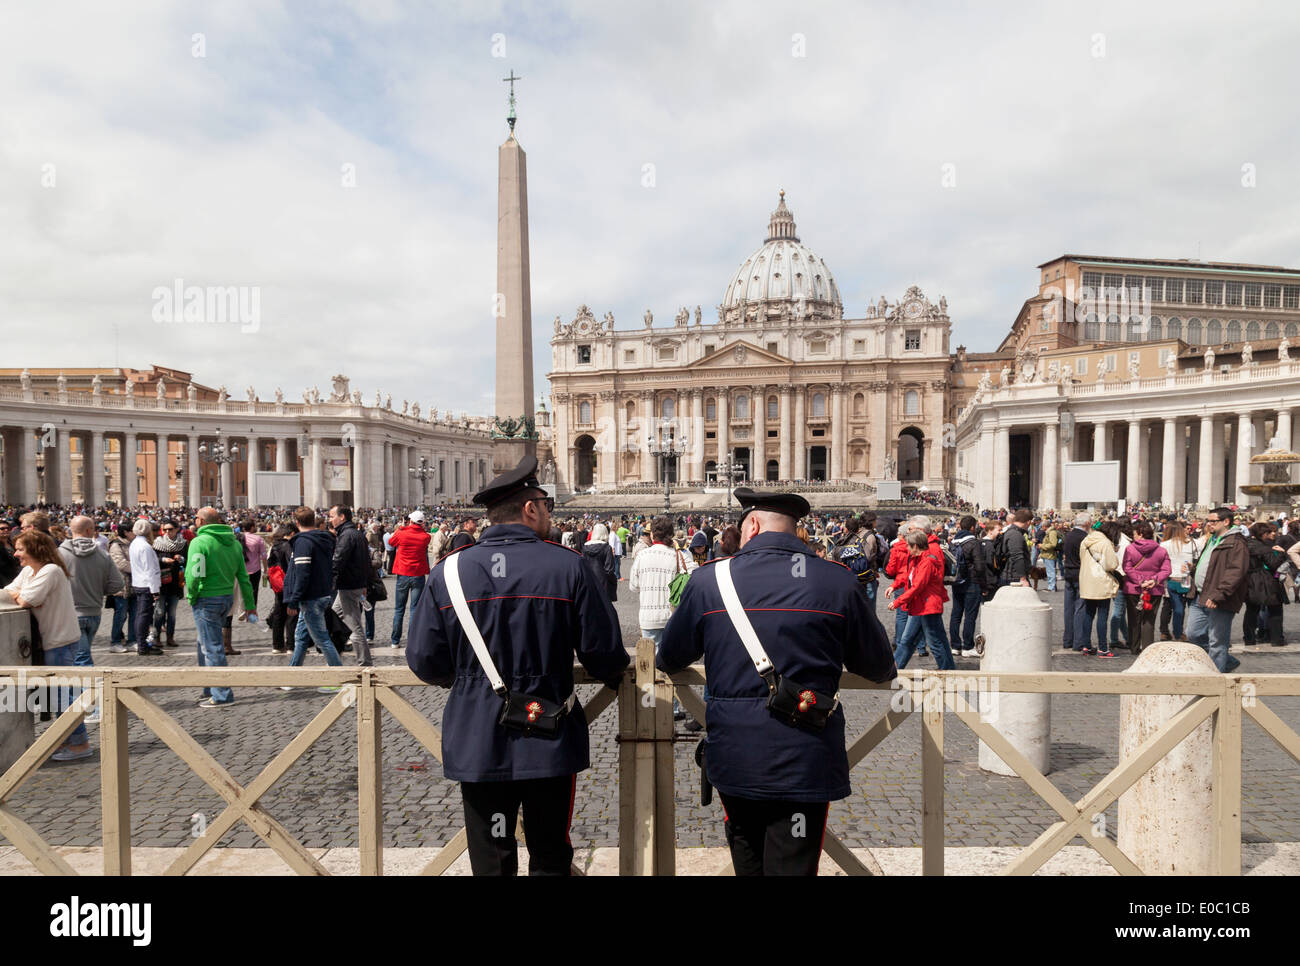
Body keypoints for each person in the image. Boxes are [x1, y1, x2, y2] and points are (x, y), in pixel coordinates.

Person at [656, 487, 896, 876]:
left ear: (751, 523)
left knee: (746, 858)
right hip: (805, 756)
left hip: (735, 756)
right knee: (794, 865)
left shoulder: (708, 581)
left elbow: (668, 657)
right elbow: (880, 667)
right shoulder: (836, 581)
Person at [407, 456, 629, 876]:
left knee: (491, 856)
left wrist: (469, 680)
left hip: (476, 734)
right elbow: (604, 655)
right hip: (548, 731)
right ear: (530, 509)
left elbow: (423, 660)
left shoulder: (448, 572)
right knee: (549, 851)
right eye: (547, 506)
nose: (550, 514)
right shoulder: (569, 566)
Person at [4, 530, 89, 759]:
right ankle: (65, 740)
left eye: (20, 549)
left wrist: (19, 595)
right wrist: (19, 594)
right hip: (52, 640)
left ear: (35, 549)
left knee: (63, 696)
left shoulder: (50, 571)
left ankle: (80, 744)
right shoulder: (30, 571)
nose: (16, 554)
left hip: (60, 640)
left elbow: (25, 600)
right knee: (55, 695)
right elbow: (9, 592)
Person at [185, 507, 257, 708]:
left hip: (206, 597)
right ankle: (208, 686)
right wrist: (250, 605)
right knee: (204, 641)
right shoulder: (233, 543)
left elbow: (194, 574)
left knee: (211, 646)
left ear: (200, 521)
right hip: (226, 596)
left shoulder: (199, 542)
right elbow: (244, 577)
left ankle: (222, 694)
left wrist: (192, 594)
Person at [56, 516, 123, 728]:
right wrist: (97, 590)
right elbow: (116, 584)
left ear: (71, 530)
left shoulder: (59, 555)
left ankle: (94, 707)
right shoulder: (102, 555)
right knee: (81, 658)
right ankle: (82, 703)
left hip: (71, 614)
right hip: (94, 613)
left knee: (82, 661)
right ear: (89, 531)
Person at [281, 506, 344, 688]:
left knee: (322, 639)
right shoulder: (324, 539)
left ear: (297, 522)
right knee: (300, 638)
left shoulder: (303, 542)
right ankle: (292, 678)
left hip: (310, 597)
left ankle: (339, 680)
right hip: (321, 593)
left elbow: (302, 573)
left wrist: (293, 598)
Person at [1185, 508, 1249, 673]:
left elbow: (1236, 572)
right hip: (1200, 595)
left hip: (1220, 598)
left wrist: (1219, 595)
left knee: (1217, 640)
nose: (1208, 524)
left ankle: (1216, 678)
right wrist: (1194, 569)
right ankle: (1226, 660)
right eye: (1208, 521)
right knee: (1193, 634)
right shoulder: (1212, 539)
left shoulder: (1236, 542)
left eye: (1213, 521)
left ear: (1226, 522)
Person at [888, 529, 956, 669]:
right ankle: (894, 669)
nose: (906, 548)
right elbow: (907, 576)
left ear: (916, 546)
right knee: (910, 640)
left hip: (927, 607)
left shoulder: (927, 562)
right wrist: (894, 586)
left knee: (935, 643)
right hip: (921, 606)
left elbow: (917, 586)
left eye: (908, 545)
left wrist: (897, 602)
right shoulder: (918, 559)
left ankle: (948, 672)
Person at [629, 515, 697, 645]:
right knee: (670, 659)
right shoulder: (678, 555)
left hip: (648, 616)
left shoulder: (642, 555)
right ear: (671, 535)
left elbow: (633, 586)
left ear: (653, 535)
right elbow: (696, 575)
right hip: (671, 617)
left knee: (649, 657)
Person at [328, 504, 373, 667]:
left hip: (348, 585)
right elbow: (366, 562)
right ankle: (334, 657)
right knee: (335, 617)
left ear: (342, 517)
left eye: (332, 516)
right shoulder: (357, 534)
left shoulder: (346, 535)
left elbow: (338, 561)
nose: (330, 519)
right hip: (354, 584)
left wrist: (327, 580)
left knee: (354, 627)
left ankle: (365, 664)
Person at [1121, 520, 1171, 656]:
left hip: (1134, 588)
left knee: (1134, 618)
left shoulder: (1130, 549)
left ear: (1141, 534)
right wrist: (1154, 580)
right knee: (1149, 619)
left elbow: (1127, 567)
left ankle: (1134, 647)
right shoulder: (1161, 550)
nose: (1133, 536)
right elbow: (1166, 570)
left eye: (1135, 533)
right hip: (1154, 589)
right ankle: (1148, 648)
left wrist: (1140, 581)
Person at [388, 510, 431, 648]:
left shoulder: (401, 533)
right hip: (418, 574)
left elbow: (391, 542)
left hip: (403, 573)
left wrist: (402, 527)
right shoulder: (426, 537)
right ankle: (412, 640)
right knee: (414, 609)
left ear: (410, 521)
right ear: (422, 522)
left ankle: (395, 640)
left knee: (399, 609)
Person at [1077, 522, 1121, 656]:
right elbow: (1111, 565)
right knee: (1102, 616)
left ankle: (1086, 646)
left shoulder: (1086, 540)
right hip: (1101, 582)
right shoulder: (1105, 543)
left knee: (1088, 615)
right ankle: (1103, 647)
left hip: (1087, 581)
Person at [1242, 521, 1287, 647]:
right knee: (1275, 609)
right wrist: (1282, 554)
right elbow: (1274, 564)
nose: (1269, 535)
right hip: (1265, 580)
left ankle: (1249, 639)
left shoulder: (1246, 544)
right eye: (1267, 533)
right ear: (1263, 534)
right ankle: (1277, 639)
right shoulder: (1263, 548)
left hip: (1249, 579)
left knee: (1251, 610)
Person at [947, 515, 984, 658]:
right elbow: (979, 566)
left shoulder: (954, 542)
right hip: (972, 582)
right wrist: (983, 583)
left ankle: (955, 645)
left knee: (956, 614)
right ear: (973, 527)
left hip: (957, 582)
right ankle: (968, 646)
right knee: (970, 615)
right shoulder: (973, 542)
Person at [128, 519, 164, 656]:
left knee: (141, 615)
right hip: (146, 584)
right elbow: (150, 570)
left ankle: (142, 643)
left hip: (138, 582)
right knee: (143, 616)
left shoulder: (135, 544)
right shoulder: (145, 547)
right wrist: (155, 589)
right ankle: (142, 646)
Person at [1158, 520, 1197, 641]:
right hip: (1185, 578)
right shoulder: (1191, 543)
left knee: (1167, 605)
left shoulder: (1164, 545)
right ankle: (1178, 632)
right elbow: (1195, 560)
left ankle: (1164, 631)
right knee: (1180, 606)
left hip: (1168, 578)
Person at [151, 519, 186, 648]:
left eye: (170, 529)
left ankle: (170, 637)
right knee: (159, 611)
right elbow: (153, 559)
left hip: (176, 582)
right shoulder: (157, 543)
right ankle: (156, 637)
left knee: (172, 612)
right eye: (165, 529)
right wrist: (163, 559)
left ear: (177, 529)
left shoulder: (183, 543)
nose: (167, 532)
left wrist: (181, 558)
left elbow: (186, 559)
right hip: (161, 581)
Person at [1061, 512, 1091, 651]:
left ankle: (1067, 640)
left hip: (1068, 573)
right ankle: (1078, 642)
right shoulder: (1084, 538)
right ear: (1086, 524)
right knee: (1080, 609)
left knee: (1068, 609)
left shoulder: (1069, 535)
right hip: (1080, 574)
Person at [266, 524, 297, 654]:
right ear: (291, 533)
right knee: (292, 613)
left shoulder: (274, 546)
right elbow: (292, 563)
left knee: (279, 613)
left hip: (277, 583)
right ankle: (291, 645)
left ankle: (277, 645)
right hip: (288, 582)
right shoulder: (287, 546)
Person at [106, 523, 136, 653]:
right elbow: (121, 564)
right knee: (121, 615)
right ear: (126, 532)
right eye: (132, 531)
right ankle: (115, 641)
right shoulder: (116, 545)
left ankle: (132, 640)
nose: (135, 533)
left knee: (134, 614)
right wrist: (139, 568)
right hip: (121, 585)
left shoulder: (133, 543)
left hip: (134, 585)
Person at [582, 523, 618, 602]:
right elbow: (609, 569)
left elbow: (582, 566)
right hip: (603, 582)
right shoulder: (607, 548)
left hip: (589, 581)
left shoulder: (585, 547)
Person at [1038, 520, 1062, 592]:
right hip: (1047, 554)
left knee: (1050, 571)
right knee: (1050, 571)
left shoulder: (1052, 533)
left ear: (1045, 526)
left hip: (1050, 554)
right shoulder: (1050, 532)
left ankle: (1052, 588)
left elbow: (1053, 544)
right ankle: (1051, 586)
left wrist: (1042, 546)